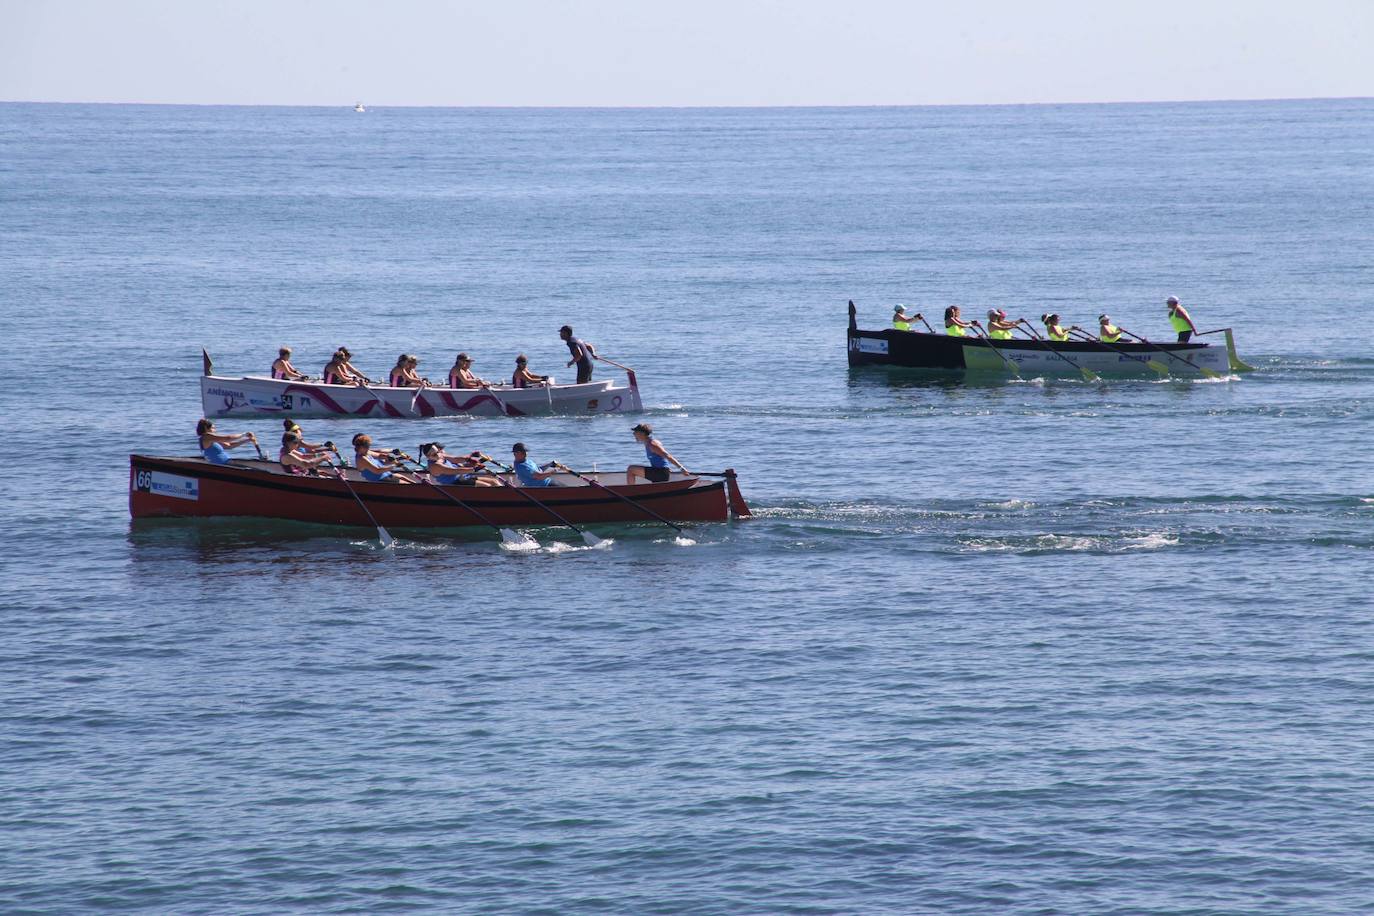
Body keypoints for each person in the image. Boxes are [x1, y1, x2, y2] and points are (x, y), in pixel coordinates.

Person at [420, 442, 500, 487]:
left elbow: (456, 459)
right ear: (427, 456)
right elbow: (455, 471)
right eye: (434, 454)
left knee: (494, 481)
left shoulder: (441, 455)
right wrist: (474, 469)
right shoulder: (435, 466)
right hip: (456, 483)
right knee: (487, 486)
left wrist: (470, 457)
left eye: (438, 452)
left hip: (464, 477)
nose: (438, 455)